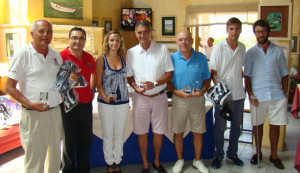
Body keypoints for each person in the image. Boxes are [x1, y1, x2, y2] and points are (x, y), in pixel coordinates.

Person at [5, 19, 64, 173]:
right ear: (32, 34)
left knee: (55, 156)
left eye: (49, 31)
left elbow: (58, 81)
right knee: (35, 157)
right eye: (41, 31)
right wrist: (29, 104)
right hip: (33, 114)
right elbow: (9, 87)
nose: (45, 35)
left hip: (54, 112)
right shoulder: (22, 55)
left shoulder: (56, 55)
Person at [126, 20, 174, 173]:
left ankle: (157, 161)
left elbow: (169, 74)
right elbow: (129, 77)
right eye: (139, 32)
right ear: (136, 33)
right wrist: (135, 86)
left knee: (159, 131)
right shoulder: (131, 52)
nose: (142, 35)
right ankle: (145, 163)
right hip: (140, 99)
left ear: (150, 32)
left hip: (159, 96)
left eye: (145, 32)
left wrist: (155, 83)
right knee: (142, 132)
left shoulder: (162, 49)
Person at [244, 19, 289, 170]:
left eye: (263, 31)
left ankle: (274, 156)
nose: (261, 34)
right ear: (255, 33)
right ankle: (258, 153)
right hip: (258, 96)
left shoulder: (278, 51)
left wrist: (285, 92)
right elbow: (247, 75)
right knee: (258, 126)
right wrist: (250, 94)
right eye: (258, 31)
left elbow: (284, 73)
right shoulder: (250, 53)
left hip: (277, 95)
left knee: (275, 127)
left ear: (268, 32)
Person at [167, 30, 210, 173]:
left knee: (198, 132)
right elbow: (167, 81)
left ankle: (197, 161)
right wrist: (175, 91)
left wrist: (202, 91)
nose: (183, 42)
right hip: (179, 100)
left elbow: (207, 79)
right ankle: (180, 160)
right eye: (180, 40)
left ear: (191, 41)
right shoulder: (171, 58)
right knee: (178, 132)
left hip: (197, 100)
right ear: (176, 42)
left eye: (186, 39)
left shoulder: (201, 57)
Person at [210, 17, 246, 169]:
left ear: (240, 30)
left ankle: (232, 153)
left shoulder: (243, 48)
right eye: (231, 29)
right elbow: (213, 72)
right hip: (222, 95)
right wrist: (222, 93)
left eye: (237, 29)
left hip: (238, 94)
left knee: (236, 127)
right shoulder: (219, 47)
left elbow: (241, 70)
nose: (234, 32)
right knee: (219, 127)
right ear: (227, 30)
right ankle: (218, 155)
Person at [60, 27, 95, 173]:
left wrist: (92, 91)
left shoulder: (89, 58)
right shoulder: (61, 56)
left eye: (81, 38)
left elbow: (93, 76)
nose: (78, 41)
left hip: (86, 106)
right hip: (68, 108)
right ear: (69, 39)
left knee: (85, 142)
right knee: (68, 143)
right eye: (74, 38)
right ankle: (68, 170)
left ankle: (83, 170)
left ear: (85, 41)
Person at [95, 30, 129, 173]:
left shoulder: (123, 58)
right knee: (108, 133)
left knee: (120, 133)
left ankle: (117, 160)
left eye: (117, 40)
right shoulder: (101, 59)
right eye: (111, 40)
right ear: (107, 42)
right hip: (106, 102)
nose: (114, 43)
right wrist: (105, 97)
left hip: (123, 101)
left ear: (120, 42)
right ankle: (109, 162)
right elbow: (98, 82)